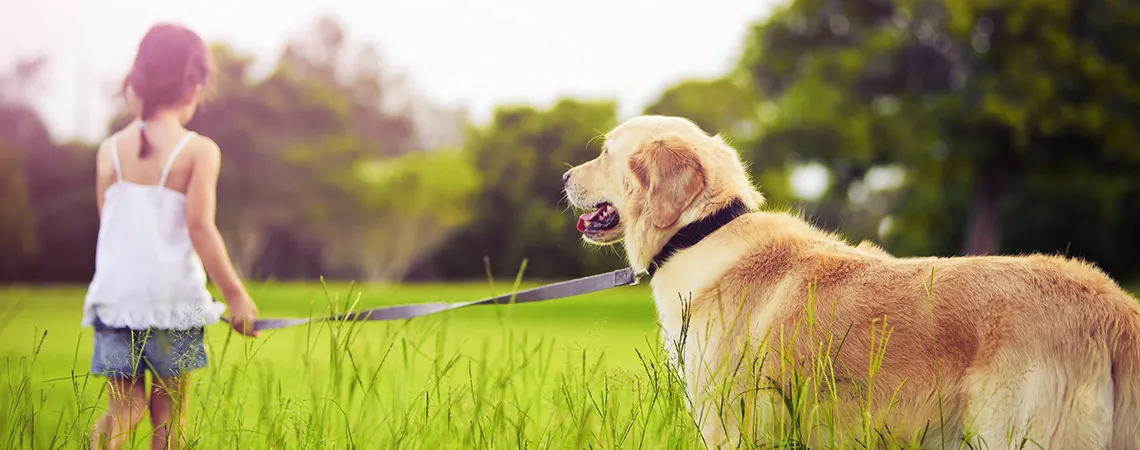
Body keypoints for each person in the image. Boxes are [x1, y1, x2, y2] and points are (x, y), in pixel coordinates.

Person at [83, 23, 260, 450]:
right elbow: (201, 228)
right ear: (194, 84)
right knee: (170, 417)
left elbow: (110, 223)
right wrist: (235, 295)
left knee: (122, 410)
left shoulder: (109, 151)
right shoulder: (199, 150)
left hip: (115, 301)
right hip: (174, 306)